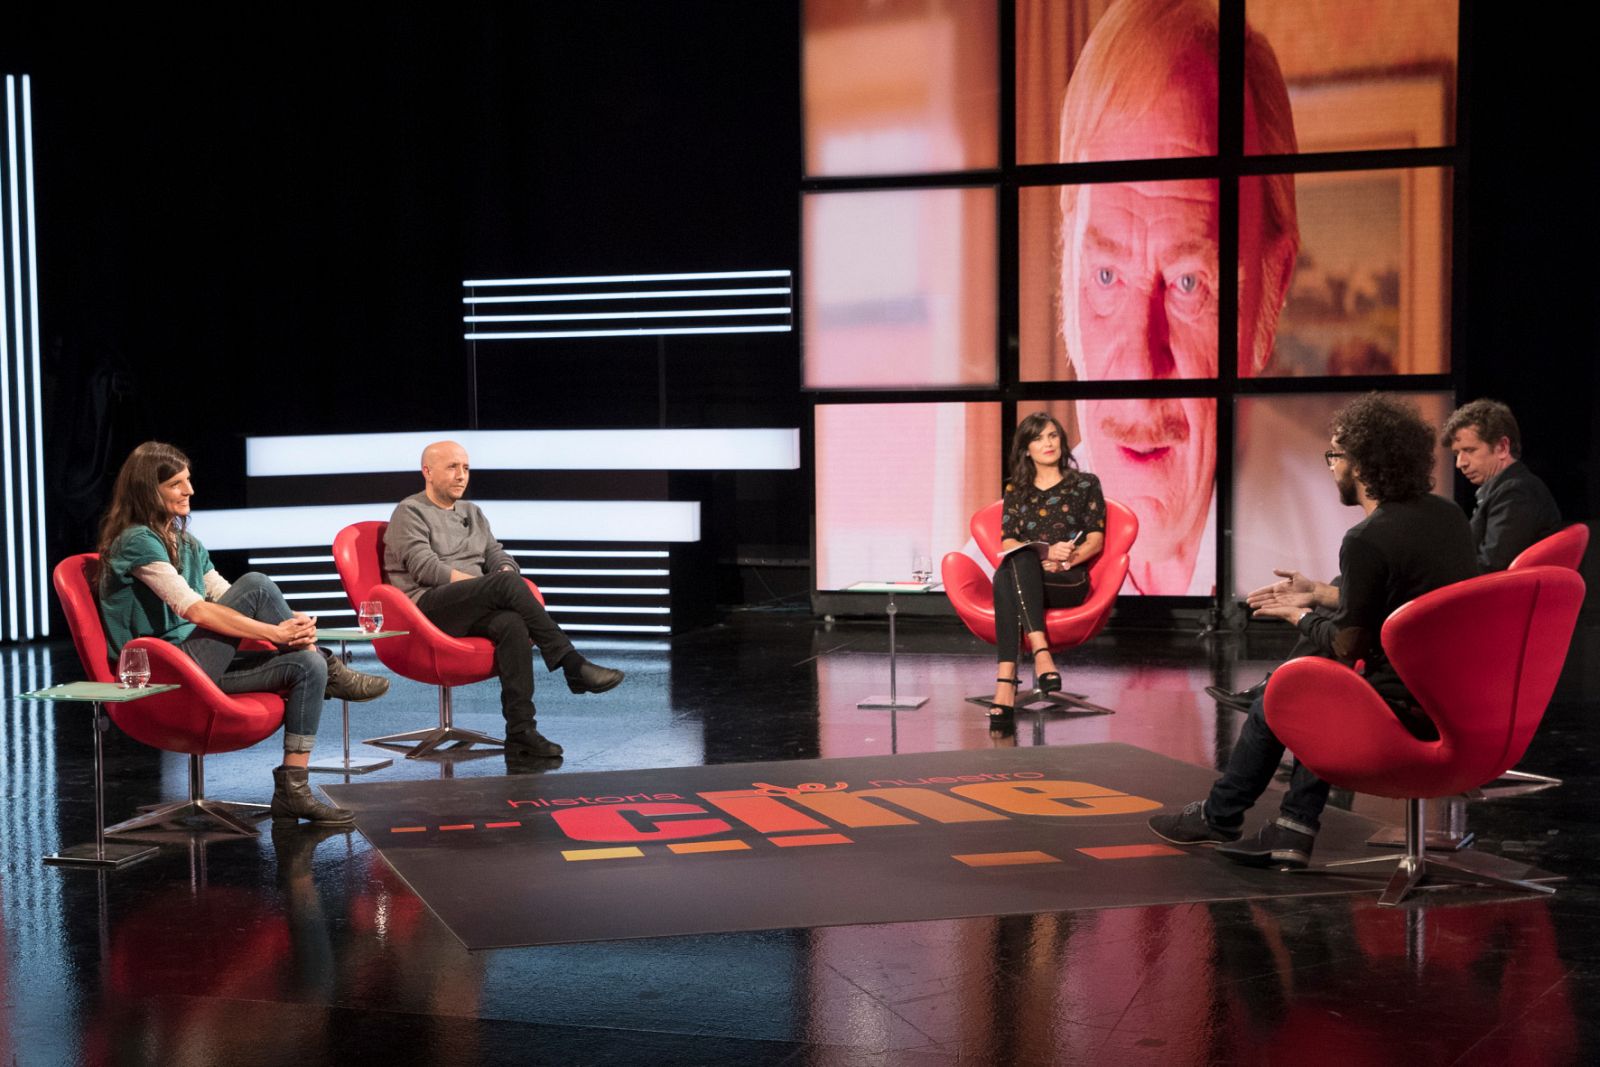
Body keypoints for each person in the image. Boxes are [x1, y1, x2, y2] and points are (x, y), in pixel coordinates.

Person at [1149, 394, 1477, 868]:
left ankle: (1225, 816)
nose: (1330, 467)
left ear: (1361, 463)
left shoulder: (1367, 538)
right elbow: (1398, 604)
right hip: (1453, 695)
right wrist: (1321, 593)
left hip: (1406, 706)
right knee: (1307, 684)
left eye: (1335, 455)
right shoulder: (1446, 516)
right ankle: (1290, 830)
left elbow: (1349, 643)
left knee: (1294, 693)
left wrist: (1297, 616)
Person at [1056, 0, 1299, 594]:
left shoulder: (1351, 567)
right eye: (1107, 276)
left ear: (1273, 287)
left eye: (1189, 283)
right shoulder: (995, 574)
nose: (1141, 373)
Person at [97, 442, 388, 825]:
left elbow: (221, 593)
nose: (190, 491)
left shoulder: (185, 542)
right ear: (148, 490)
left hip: (199, 663)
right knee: (258, 584)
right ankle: (328, 663)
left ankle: (293, 791)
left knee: (305, 665)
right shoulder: (138, 540)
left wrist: (288, 626)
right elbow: (194, 608)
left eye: (189, 481)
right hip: (161, 671)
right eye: (177, 484)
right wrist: (276, 631)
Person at [384, 441, 624, 760]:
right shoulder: (409, 511)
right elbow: (426, 569)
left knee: (510, 624)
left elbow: (498, 554)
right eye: (452, 467)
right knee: (505, 585)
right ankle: (572, 664)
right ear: (427, 471)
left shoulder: (473, 512)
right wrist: (491, 584)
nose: (461, 476)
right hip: (428, 608)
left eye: (466, 468)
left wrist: (502, 571)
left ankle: (521, 731)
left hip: (471, 604)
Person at [975, 412, 1106, 728]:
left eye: (1052, 435)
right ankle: (1039, 654)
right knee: (1016, 562)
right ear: (1025, 449)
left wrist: (1067, 558)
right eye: (1037, 438)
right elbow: (1008, 541)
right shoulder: (1016, 490)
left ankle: (1006, 683)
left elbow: (1096, 540)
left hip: (1068, 580)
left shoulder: (1085, 484)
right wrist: (1039, 551)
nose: (1047, 443)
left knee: (1007, 576)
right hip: (1029, 578)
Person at [1442, 399, 1562, 572]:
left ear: (1502, 447)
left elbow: (1492, 566)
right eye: (1456, 453)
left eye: (1469, 450)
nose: (1460, 463)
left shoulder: (1516, 492)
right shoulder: (1504, 489)